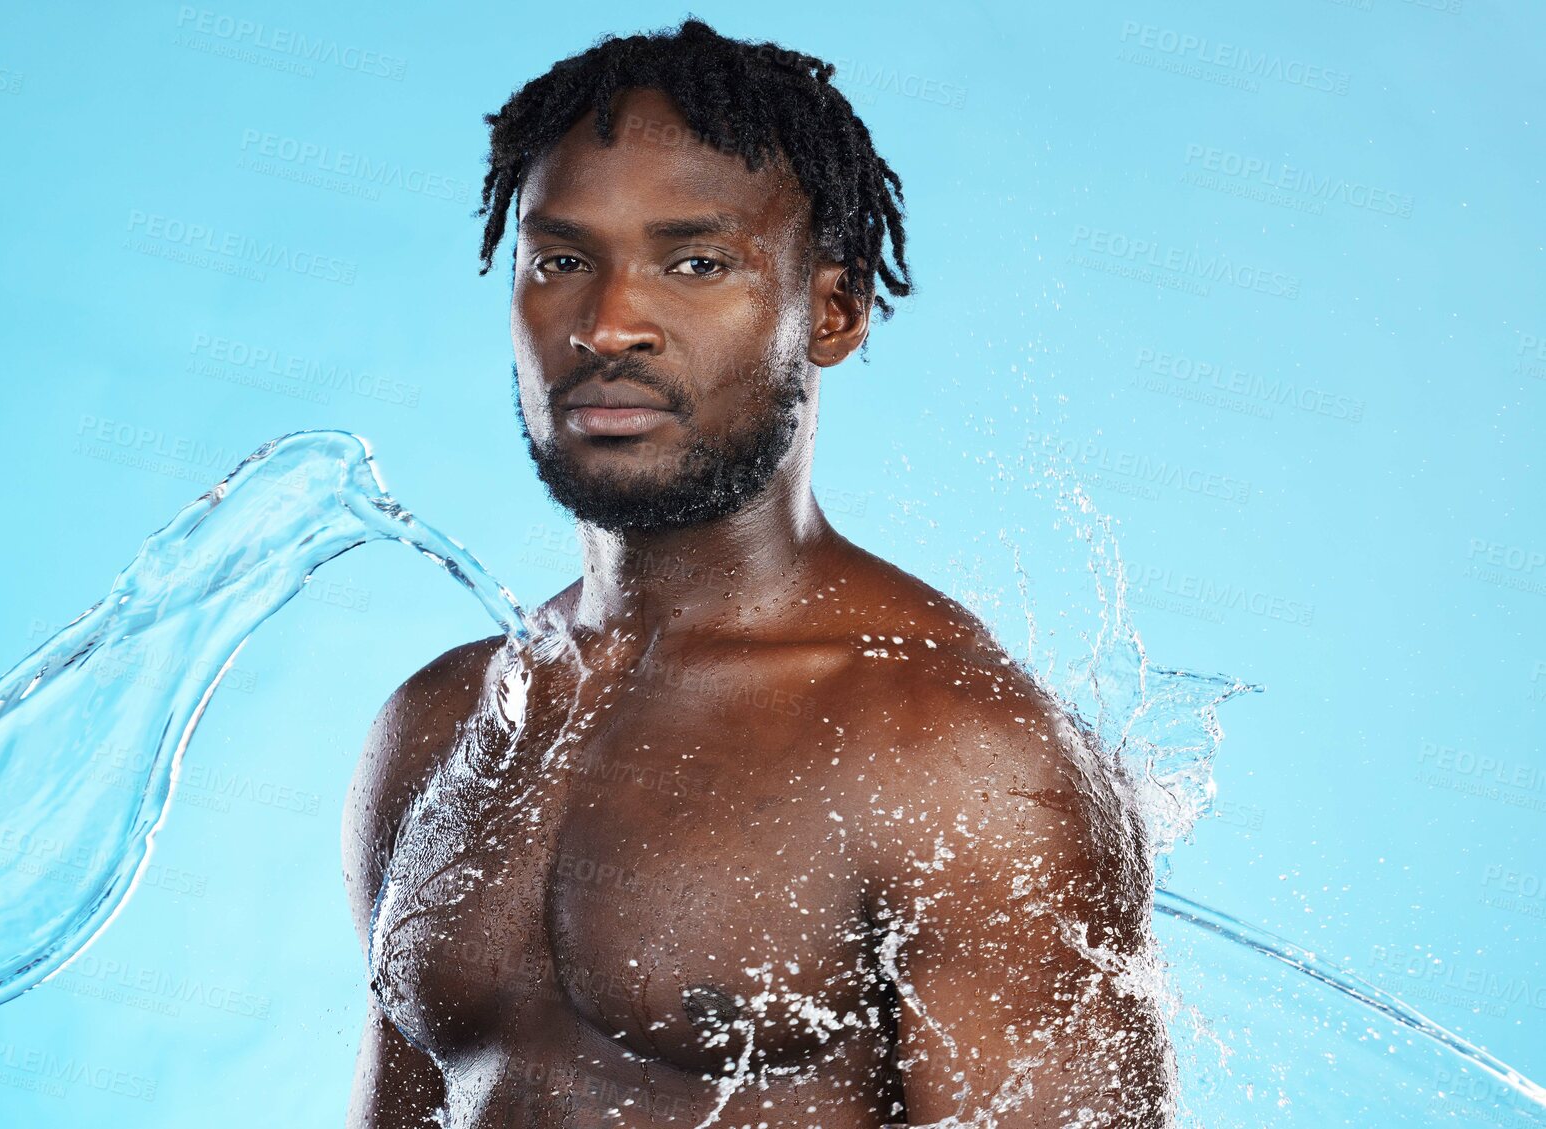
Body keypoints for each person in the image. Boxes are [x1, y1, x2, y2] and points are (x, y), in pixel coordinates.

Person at [343, 18, 1172, 1128]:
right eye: (562, 261)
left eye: (695, 262)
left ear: (829, 312)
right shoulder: (442, 720)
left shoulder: (955, 755)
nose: (609, 324)